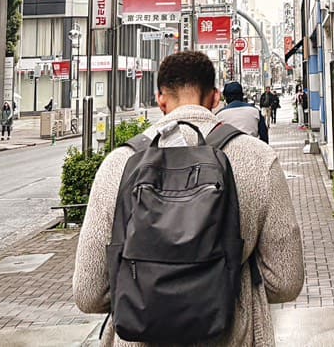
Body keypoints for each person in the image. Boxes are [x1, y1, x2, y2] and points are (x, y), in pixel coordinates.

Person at [73, 51, 304, 345]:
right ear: (215, 98)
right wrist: (220, 285)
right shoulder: (258, 159)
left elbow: (88, 293)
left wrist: (148, 295)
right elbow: (286, 281)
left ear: (160, 100)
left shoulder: (119, 164)